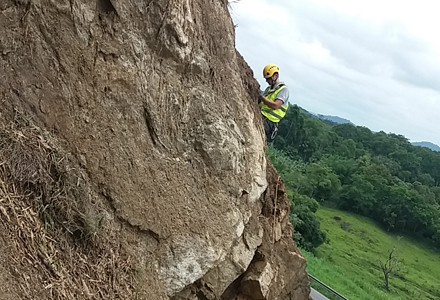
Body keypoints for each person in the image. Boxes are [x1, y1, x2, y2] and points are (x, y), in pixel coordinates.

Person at [258, 64, 289, 142]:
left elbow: (275, 106)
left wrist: (262, 98)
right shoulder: (269, 89)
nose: (267, 81)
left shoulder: (283, 90)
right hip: (261, 115)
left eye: (268, 78)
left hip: (269, 121)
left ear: (275, 76)